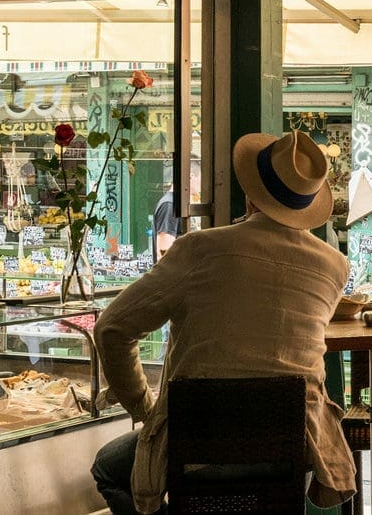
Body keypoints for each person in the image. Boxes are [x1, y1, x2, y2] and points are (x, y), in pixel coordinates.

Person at [91, 131, 355, 515]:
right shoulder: (334, 266)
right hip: (294, 444)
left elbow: (112, 329)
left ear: (250, 193)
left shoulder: (200, 249)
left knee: (107, 468)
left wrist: (145, 408)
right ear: (306, 204)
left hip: (197, 441)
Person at [152, 160, 201, 261]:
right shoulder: (170, 204)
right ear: (190, 176)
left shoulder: (174, 203)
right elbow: (164, 251)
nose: (201, 184)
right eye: (200, 178)